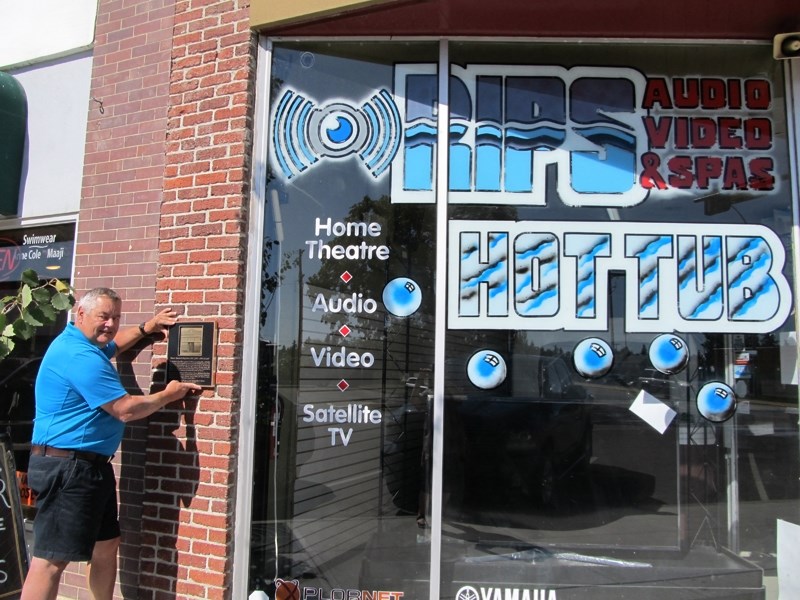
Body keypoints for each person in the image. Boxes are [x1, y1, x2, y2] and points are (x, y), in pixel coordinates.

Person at [20, 287, 202, 600]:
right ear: (80, 314)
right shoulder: (78, 356)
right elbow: (125, 409)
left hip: (90, 467)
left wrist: (148, 327)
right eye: (103, 316)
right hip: (68, 469)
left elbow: (115, 346)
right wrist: (169, 397)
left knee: (106, 545)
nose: (110, 324)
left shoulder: (84, 345)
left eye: (116, 317)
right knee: (51, 560)